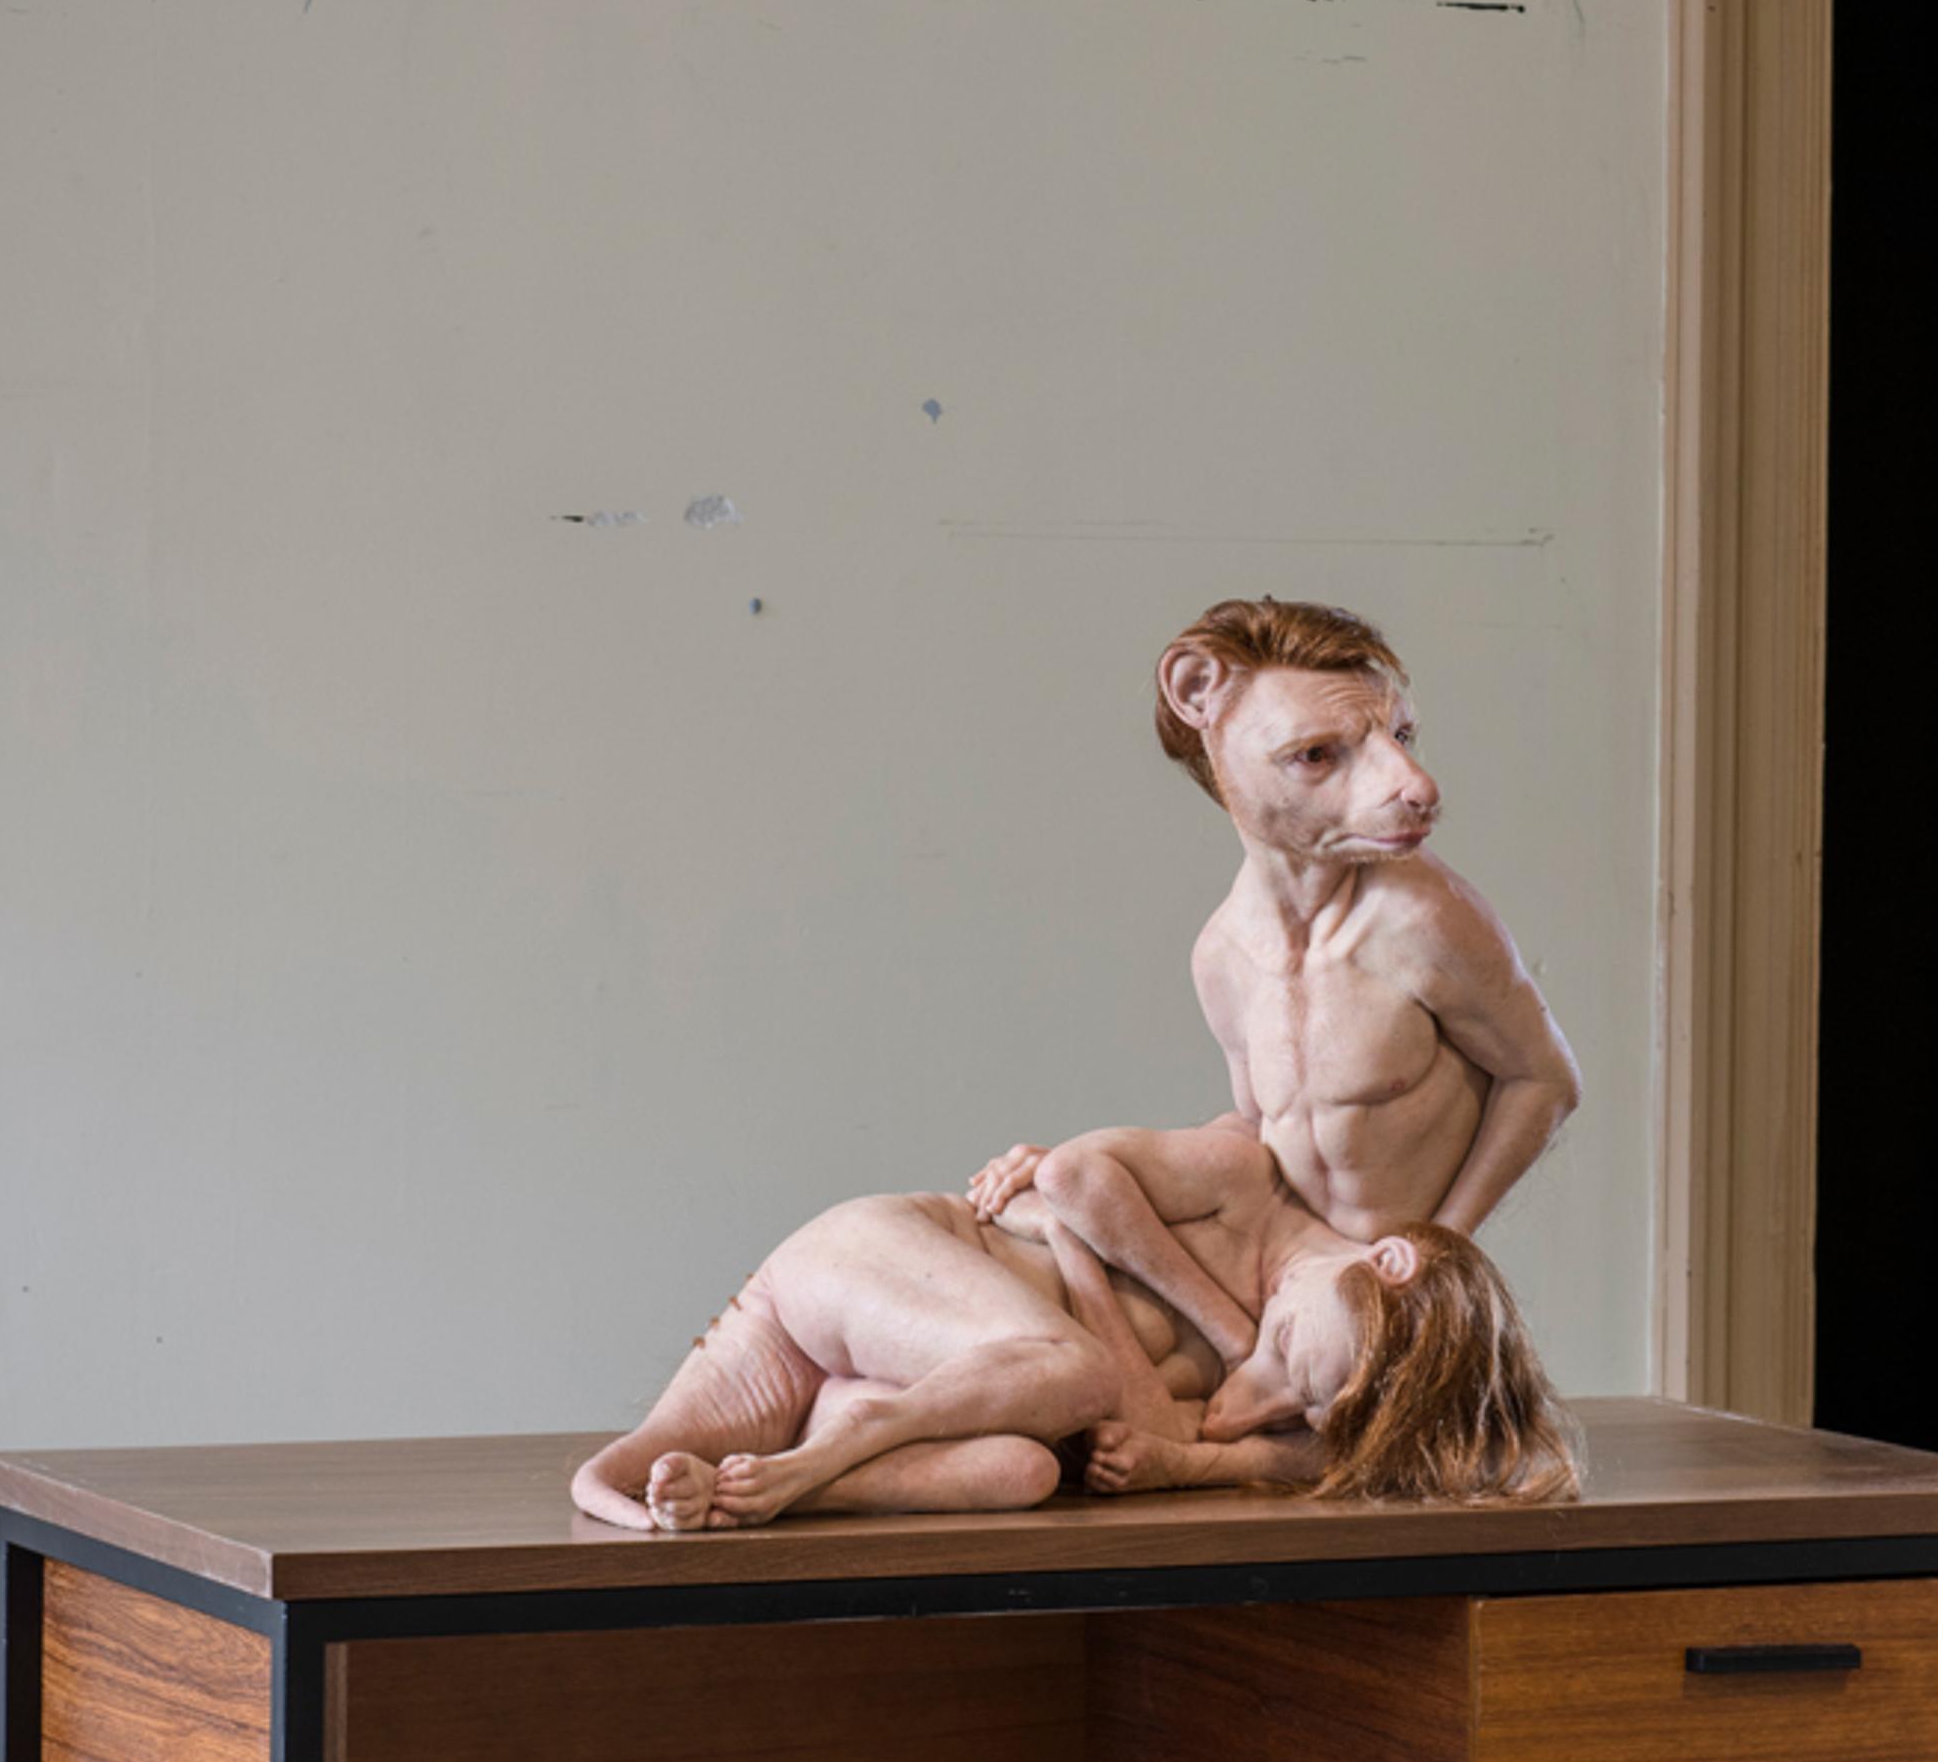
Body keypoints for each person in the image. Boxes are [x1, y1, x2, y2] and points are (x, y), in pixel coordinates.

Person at [968, 598, 1579, 1371]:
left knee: (1086, 1382)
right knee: (1040, 1310)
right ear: (1201, 704)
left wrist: (1437, 1249)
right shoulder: (1221, 952)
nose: (1416, 784)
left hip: (1378, 1305)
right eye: (1319, 755)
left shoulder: (1426, 919)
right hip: (1278, 1279)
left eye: (1399, 737)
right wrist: (1089, 1160)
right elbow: (1265, 1136)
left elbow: (1546, 1079)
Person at [571, 1113, 1575, 1534]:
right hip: (864, 1264)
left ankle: (790, 1477)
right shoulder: (1241, 1182)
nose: (1250, 1397)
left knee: (1023, 1473)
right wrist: (1226, 1333)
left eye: (1289, 1396)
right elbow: (1071, 1179)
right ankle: (826, 1450)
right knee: (1079, 1373)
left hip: (907, 1368)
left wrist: (1197, 1453)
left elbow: (1283, 1457)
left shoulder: (1323, 1381)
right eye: (1277, 1350)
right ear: (1384, 1262)